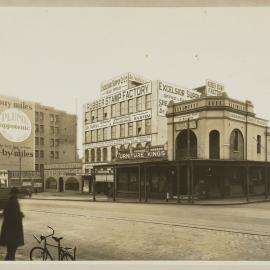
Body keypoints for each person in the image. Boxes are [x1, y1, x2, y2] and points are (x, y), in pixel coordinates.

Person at [0, 187, 24, 260]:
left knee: (10, 250)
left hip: (9, 229)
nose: (17, 195)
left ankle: (8, 261)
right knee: (12, 249)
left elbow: (7, 213)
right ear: (15, 194)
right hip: (13, 230)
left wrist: (19, 214)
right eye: (17, 194)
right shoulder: (13, 201)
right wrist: (20, 215)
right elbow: (13, 215)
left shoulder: (11, 201)